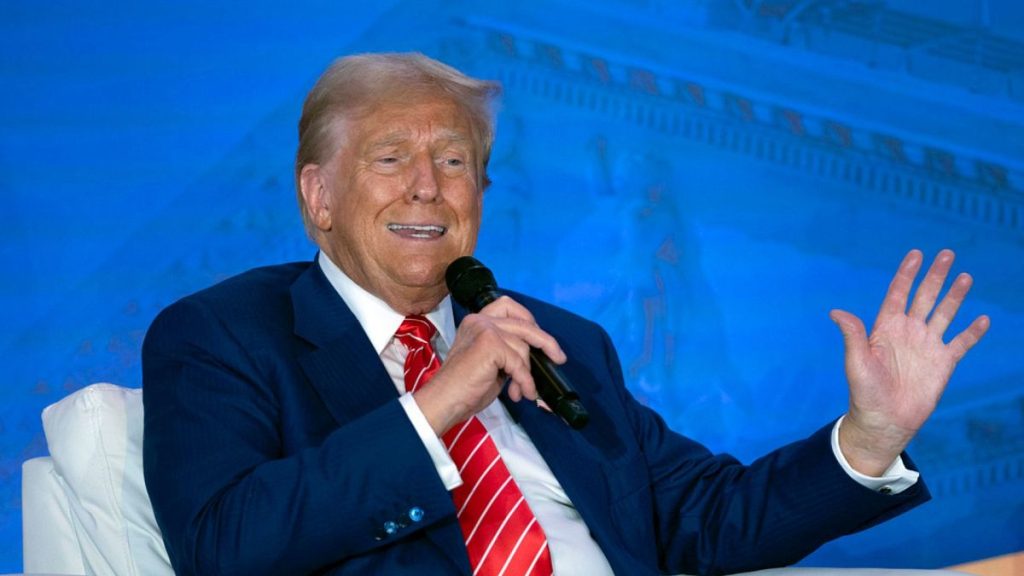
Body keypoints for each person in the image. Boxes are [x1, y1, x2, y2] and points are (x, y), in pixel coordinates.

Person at [141, 52, 990, 576]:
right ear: (317, 195)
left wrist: (870, 437)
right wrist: (442, 402)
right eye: (391, 158)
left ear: (483, 193)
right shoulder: (221, 335)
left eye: (456, 160)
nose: (428, 187)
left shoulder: (559, 340)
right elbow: (224, 548)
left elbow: (703, 517)